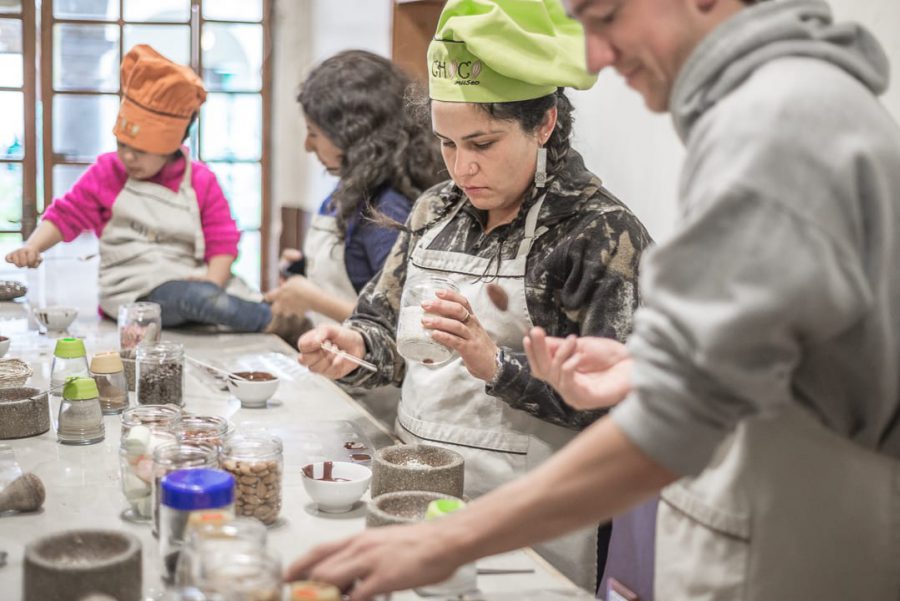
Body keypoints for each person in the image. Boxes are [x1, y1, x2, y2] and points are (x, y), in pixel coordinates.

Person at [285, 0, 900, 600]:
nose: (597, 56)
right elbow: (771, 356)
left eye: (606, 16)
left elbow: (675, 416)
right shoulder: (779, 112)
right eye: (449, 145)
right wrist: (640, 371)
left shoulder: (776, 129)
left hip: (775, 545)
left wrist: (449, 537)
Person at [294, 0, 652, 591]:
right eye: (447, 143)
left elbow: (621, 416)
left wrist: (498, 365)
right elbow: (383, 335)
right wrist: (349, 347)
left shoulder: (599, 234)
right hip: (414, 497)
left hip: (533, 523)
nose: (462, 168)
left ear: (544, 123)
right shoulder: (436, 211)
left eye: (482, 143)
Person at [5, 45, 304, 342]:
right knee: (200, 300)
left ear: (172, 146)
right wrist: (34, 246)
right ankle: (280, 323)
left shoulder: (201, 180)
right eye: (123, 145)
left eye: (142, 151)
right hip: (132, 292)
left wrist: (212, 282)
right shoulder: (108, 172)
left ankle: (278, 320)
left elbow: (222, 240)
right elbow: (67, 214)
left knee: (207, 298)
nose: (129, 158)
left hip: (191, 283)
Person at [265, 49, 444, 424]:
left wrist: (310, 297)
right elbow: (356, 267)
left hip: (373, 405)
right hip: (344, 386)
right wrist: (306, 267)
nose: (308, 146)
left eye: (314, 133)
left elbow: (398, 324)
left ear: (353, 133)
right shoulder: (352, 188)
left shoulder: (387, 210)